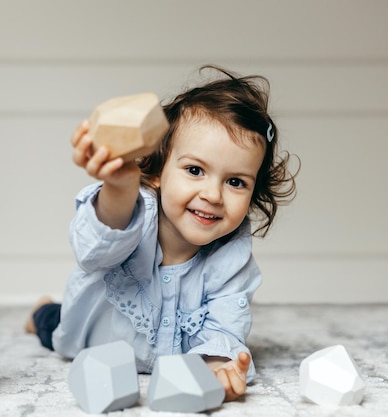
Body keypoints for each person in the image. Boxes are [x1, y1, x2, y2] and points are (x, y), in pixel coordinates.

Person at [25, 65, 297, 402]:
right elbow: (96, 247)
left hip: (172, 360)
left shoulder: (232, 258)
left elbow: (225, 324)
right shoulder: (131, 209)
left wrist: (217, 364)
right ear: (157, 172)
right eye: (195, 170)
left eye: (235, 182)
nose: (213, 194)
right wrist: (119, 188)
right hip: (93, 334)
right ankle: (41, 310)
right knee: (52, 324)